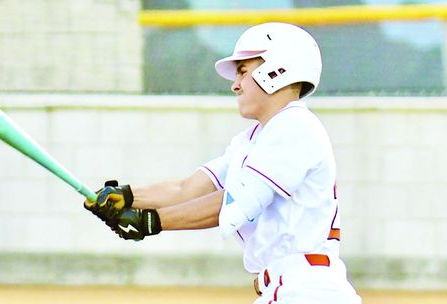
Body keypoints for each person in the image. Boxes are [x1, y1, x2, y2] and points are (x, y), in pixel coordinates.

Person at [85, 22, 361, 304]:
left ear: (278, 70)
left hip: (307, 291)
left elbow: (233, 202)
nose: (235, 84)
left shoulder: (294, 126)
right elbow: (187, 189)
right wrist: (127, 197)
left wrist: (150, 221)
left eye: (243, 72)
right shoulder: (253, 139)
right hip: (290, 290)